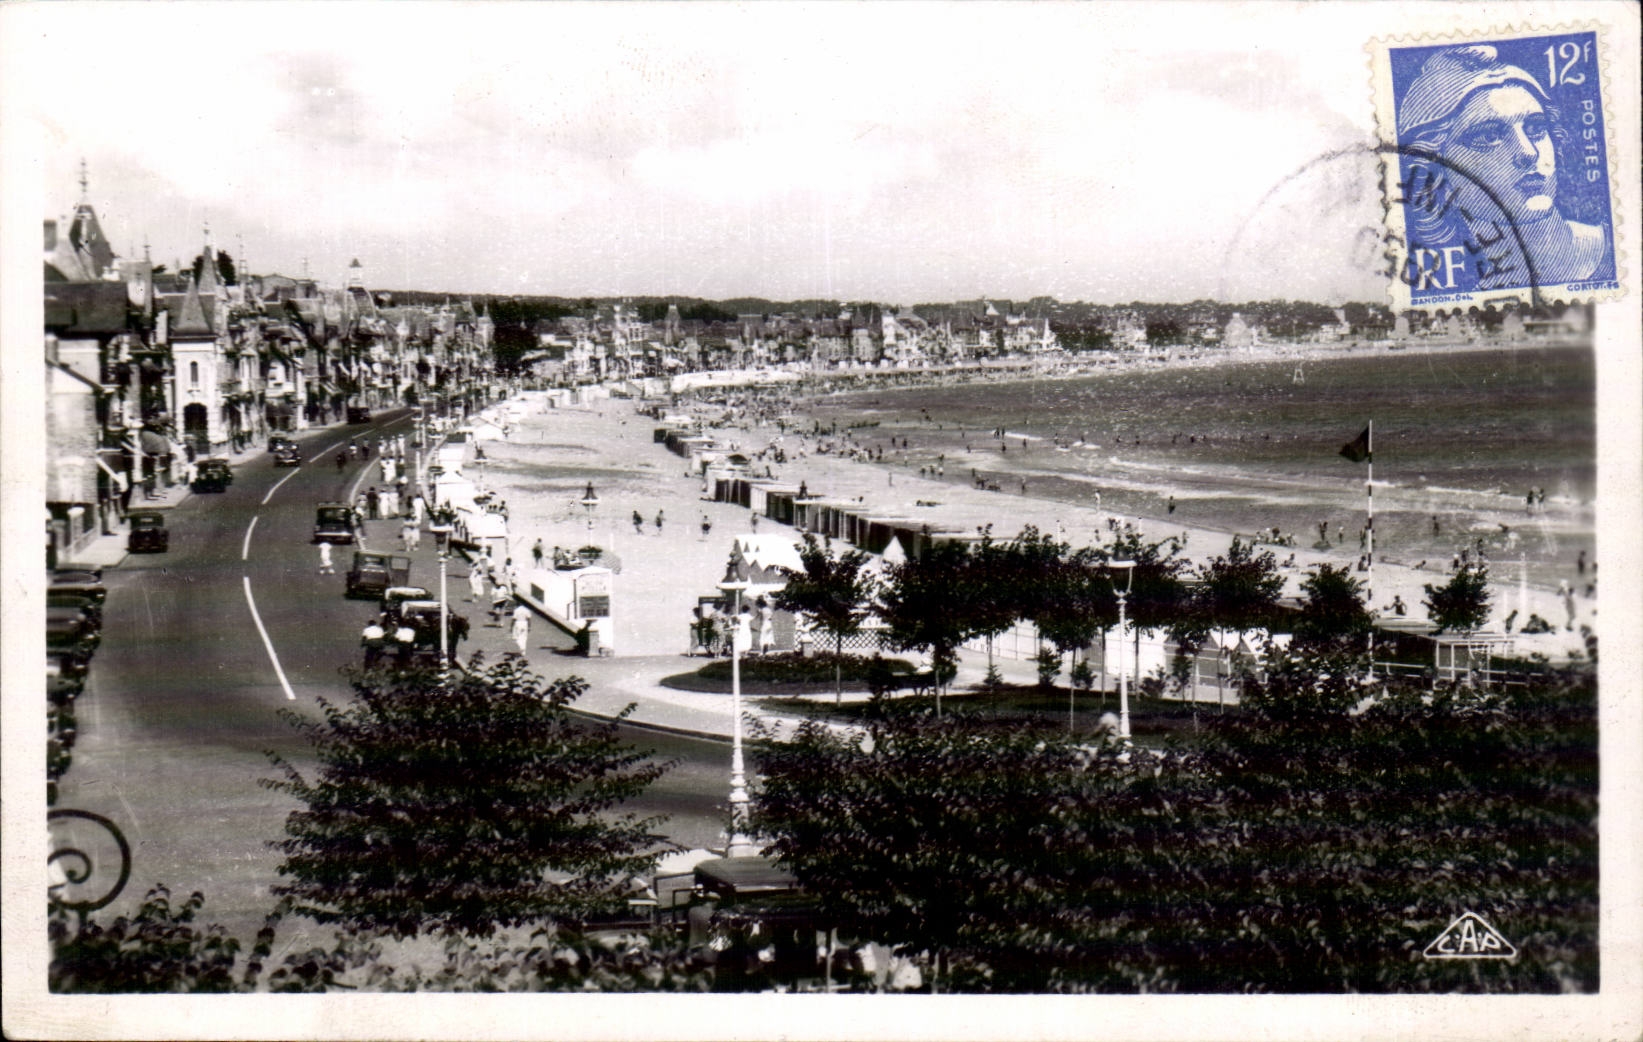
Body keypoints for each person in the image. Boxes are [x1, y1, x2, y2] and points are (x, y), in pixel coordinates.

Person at [1397, 44, 1611, 290]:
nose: (1528, 152)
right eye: (1488, 137)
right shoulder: (1450, 288)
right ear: (1434, 171)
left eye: (1537, 128)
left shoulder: (1615, 249)